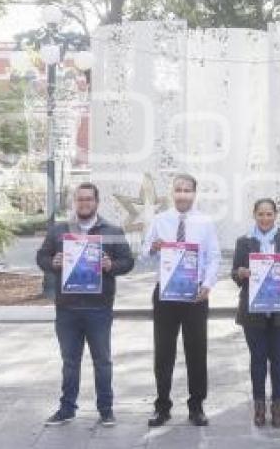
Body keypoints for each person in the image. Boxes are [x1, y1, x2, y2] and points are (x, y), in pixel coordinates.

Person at [37, 182, 134, 427]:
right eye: (80, 199)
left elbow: (128, 261)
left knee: (102, 361)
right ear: (74, 202)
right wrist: (53, 262)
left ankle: (106, 410)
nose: (84, 203)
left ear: (96, 202)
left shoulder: (111, 230)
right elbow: (41, 256)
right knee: (70, 363)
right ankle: (67, 409)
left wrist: (111, 265)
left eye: (89, 199)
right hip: (67, 309)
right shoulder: (59, 230)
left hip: (98, 308)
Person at [143, 173, 221, 427]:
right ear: (172, 193)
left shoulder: (205, 222)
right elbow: (145, 254)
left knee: (196, 352)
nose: (183, 194)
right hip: (165, 294)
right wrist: (153, 248)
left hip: (195, 295)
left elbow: (214, 258)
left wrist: (207, 285)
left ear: (194, 194)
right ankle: (162, 406)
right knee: (163, 352)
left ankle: (196, 406)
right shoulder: (159, 220)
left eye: (187, 190)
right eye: (178, 190)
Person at [231, 198, 280, 428]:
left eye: (269, 214)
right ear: (254, 215)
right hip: (254, 312)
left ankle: (277, 405)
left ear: (276, 215)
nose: (265, 218)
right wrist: (241, 273)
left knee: (278, 361)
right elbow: (234, 272)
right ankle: (259, 406)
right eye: (260, 214)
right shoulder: (244, 241)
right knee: (257, 360)